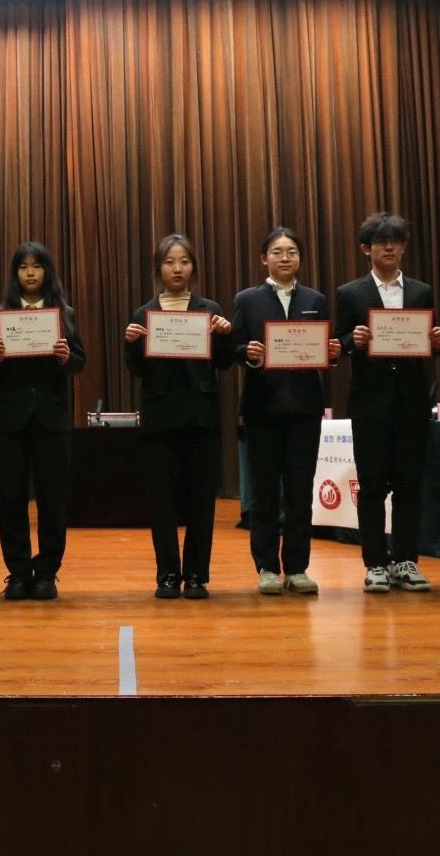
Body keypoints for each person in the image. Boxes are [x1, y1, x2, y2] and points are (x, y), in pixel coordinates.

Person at [334, 213, 440, 592]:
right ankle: (375, 564)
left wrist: (436, 341)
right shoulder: (351, 293)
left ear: (403, 247)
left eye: (395, 241)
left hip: (412, 402)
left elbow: (428, 341)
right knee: (372, 487)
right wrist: (353, 341)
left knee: (410, 485)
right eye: (381, 242)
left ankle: (406, 560)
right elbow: (338, 344)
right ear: (366, 249)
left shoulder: (421, 291)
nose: (389, 248)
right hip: (370, 404)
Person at [232, 226, 340, 595]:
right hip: (262, 408)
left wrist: (332, 353)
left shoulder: (315, 299)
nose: (285, 258)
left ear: (300, 258)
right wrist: (248, 353)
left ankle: (297, 568)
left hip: (304, 409)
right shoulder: (247, 300)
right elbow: (234, 348)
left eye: (291, 251)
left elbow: (325, 347)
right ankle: (266, 567)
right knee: (264, 491)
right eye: (277, 252)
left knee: (299, 490)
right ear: (264, 258)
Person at [125, 233, 233, 600]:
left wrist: (224, 336)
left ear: (193, 268)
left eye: (184, 261)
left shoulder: (209, 309)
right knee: (162, 502)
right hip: (159, 419)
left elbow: (223, 363)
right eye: (169, 262)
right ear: (158, 269)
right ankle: (168, 574)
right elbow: (137, 370)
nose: (177, 268)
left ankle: (197, 575)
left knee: (202, 500)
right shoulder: (144, 313)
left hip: (201, 418)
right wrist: (131, 344)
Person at [0, 242, 86, 601]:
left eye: (37, 266)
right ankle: (17, 573)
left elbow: (79, 362)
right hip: (10, 418)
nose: (30, 273)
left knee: (52, 499)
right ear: (14, 274)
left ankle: (46, 572)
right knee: (10, 498)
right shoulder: (3, 313)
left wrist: (65, 356)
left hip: (51, 418)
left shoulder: (64, 313)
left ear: (47, 271)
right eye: (23, 267)